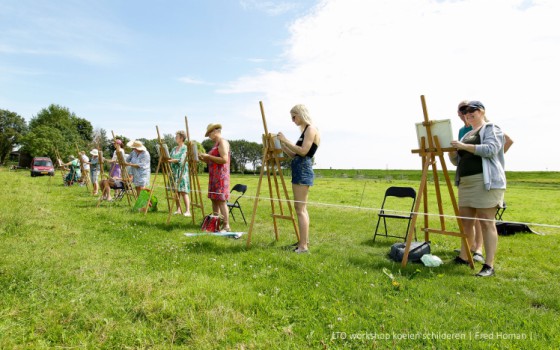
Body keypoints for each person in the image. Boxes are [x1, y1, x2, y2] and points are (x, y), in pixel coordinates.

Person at [450, 101, 505, 277]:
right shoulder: (467, 135)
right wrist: (452, 154)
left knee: (486, 222)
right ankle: (464, 256)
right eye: (465, 112)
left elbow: (491, 149)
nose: (468, 113)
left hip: (485, 181)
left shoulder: (490, 128)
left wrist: (464, 147)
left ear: (482, 111)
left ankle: (489, 265)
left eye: (472, 110)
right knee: (466, 221)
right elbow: (458, 161)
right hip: (466, 183)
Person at [277, 104, 320, 254]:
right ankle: (304, 241)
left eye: (293, 117)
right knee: (302, 209)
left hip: (302, 170)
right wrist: (282, 145)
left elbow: (303, 151)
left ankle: (303, 247)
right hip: (299, 168)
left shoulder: (311, 129)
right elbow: (294, 154)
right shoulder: (305, 131)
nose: (292, 120)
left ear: (300, 114)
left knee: (300, 209)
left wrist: (286, 140)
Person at [199, 123, 231, 232]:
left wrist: (208, 156)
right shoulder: (215, 144)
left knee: (221, 200)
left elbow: (224, 159)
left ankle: (226, 225)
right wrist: (203, 158)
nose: (209, 136)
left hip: (221, 176)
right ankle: (216, 223)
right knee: (214, 199)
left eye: (209, 133)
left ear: (215, 131)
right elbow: (211, 160)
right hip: (214, 176)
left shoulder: (222, 142)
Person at [168, 130, 192, 217]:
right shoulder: (174, 148)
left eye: (177, 136)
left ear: (181, 138)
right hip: (174, 172)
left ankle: (188, 211)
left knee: (183, 191)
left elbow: (182, 160)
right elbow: (169, 157)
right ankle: (178, 210)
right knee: (176, 192)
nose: (175, 138)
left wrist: (172, 160)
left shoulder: (185, 148)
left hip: (182, 172)